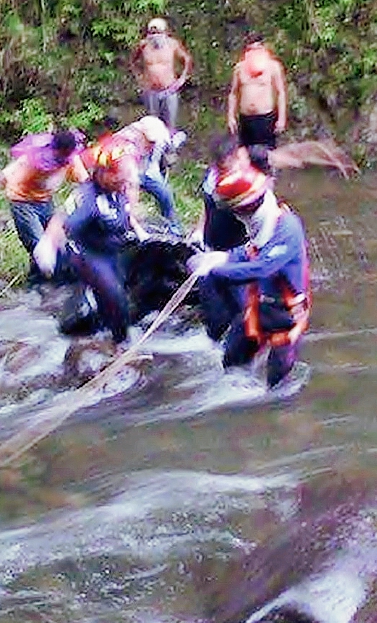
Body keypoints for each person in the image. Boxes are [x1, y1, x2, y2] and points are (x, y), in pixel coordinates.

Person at [189, 158, 311, 387]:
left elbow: (262, 267)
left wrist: (217, 270)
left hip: (286, 318)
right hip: (256, 310)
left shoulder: (286, 228)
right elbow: (249, 251)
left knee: (276, 387)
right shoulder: (258, 224)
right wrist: (223, 256)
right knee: (230, 365)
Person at [35, 138, 142, 347]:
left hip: (111, 251)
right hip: (87, 254)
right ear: (103, 172)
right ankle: (122, 344)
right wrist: (48, 243)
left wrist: (137, 229)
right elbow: (62, 218)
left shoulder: (119, 190)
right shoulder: (87, 197)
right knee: (115, 295)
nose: (124, 182)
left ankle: (103, 332)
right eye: (118, 177)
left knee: (115, 297)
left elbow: (125, 214)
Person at [0, 130, 89, 284]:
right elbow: (2, 177)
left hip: (45, 201)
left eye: (68, 154)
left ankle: (53, 281)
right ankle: (37, 287)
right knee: (38, 244)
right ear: (55, 150)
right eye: (61, 153)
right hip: (22, 202)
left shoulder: (72, 159)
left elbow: (87, 183)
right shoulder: (32, 160)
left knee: (57, 243)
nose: (64, 158)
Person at [112, 115, 181, 232]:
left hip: (149, 171)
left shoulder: (160, 138)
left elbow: (174, 140)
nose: (153, 144)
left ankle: (174, 228)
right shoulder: (124, 141)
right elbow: (130, 179)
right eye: (150, 141)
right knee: (124, 201)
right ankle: (125, 227)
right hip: (124, 173)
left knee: (165, 195)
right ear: (140, 133)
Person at [226, 32, 288, 150]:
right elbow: (233, 93)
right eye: (251, 49)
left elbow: (281, 93)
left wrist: (281, 118)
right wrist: (231, 116)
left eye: (257, 48)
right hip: (246, 119)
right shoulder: (240, 68)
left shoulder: (273, 67)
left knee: (265, 154)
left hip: (265, 118)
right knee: (245, 153)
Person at [131, 17, 193, 131]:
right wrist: (139, 78)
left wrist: (182, 78)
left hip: (169, 90)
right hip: (151, 91)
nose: (155, 36)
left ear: (164, 32)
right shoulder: (143, 46)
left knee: (170, 127)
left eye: (158, 32)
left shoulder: (172, 44)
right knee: (152, 127)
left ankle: (170, 147)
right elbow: (133, 61)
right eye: (152, 32)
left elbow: (187, 59)